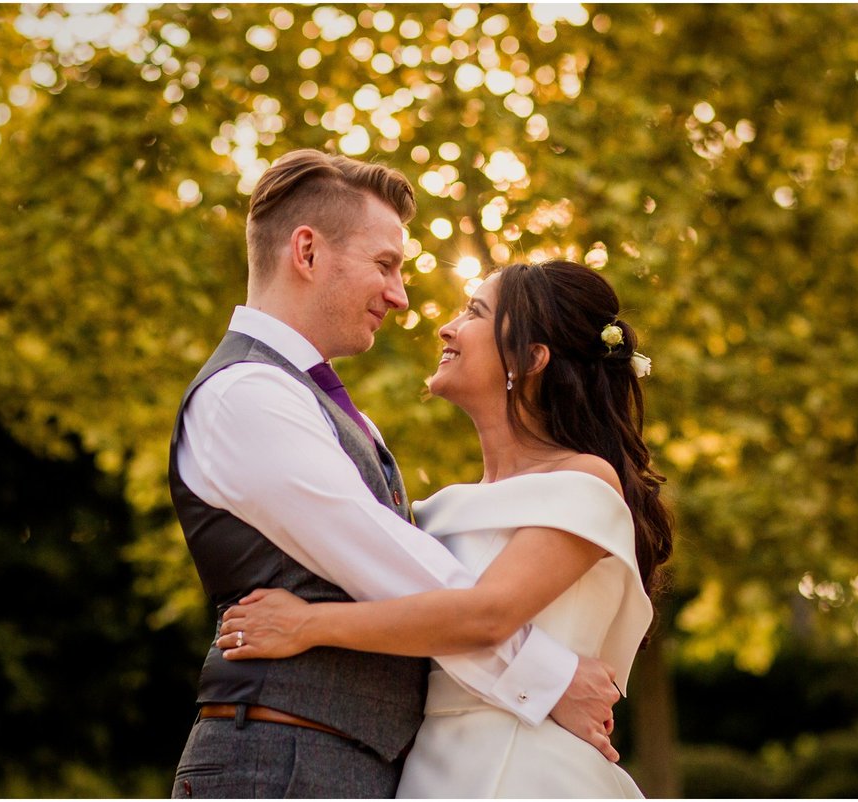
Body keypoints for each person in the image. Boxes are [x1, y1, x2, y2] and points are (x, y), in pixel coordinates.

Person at [168, 150, 622, 799]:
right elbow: (390, 565)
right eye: (386, 265)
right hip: (282, 763)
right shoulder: (248, 395)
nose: (401, 297)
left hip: (344, 763)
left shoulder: (326, 409)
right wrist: (551, 678)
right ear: (307, 252)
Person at [212, 259, 674, 797]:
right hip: (428, 771)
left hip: (524, 771)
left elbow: (488, 615)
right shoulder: (435, 511)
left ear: (529, 359)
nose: (447, 327)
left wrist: (307, 625)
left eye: (474, 312)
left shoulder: (583, 481)